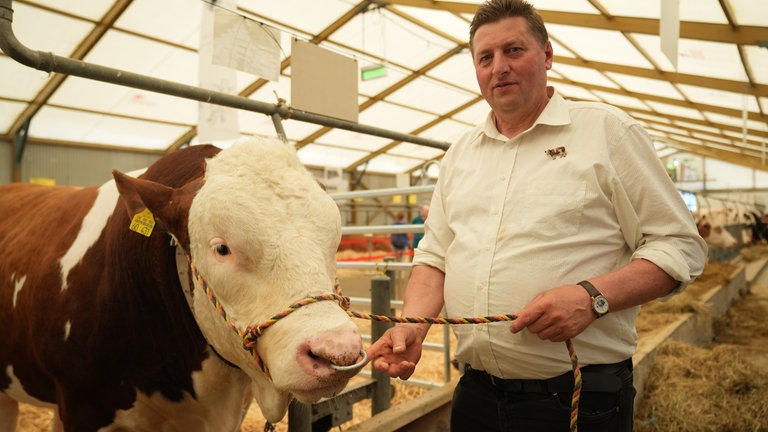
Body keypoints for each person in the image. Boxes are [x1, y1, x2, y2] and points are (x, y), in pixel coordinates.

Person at [367, 1, 708, 431]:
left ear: (547, 55)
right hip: (476, 394)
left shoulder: (605, 132)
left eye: (514, 50)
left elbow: (681, 247)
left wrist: (591, 297)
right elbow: (435, 256)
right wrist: (412, 328)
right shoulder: (460, 155)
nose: (499, 68)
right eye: (485, 58)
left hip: (578, 396)